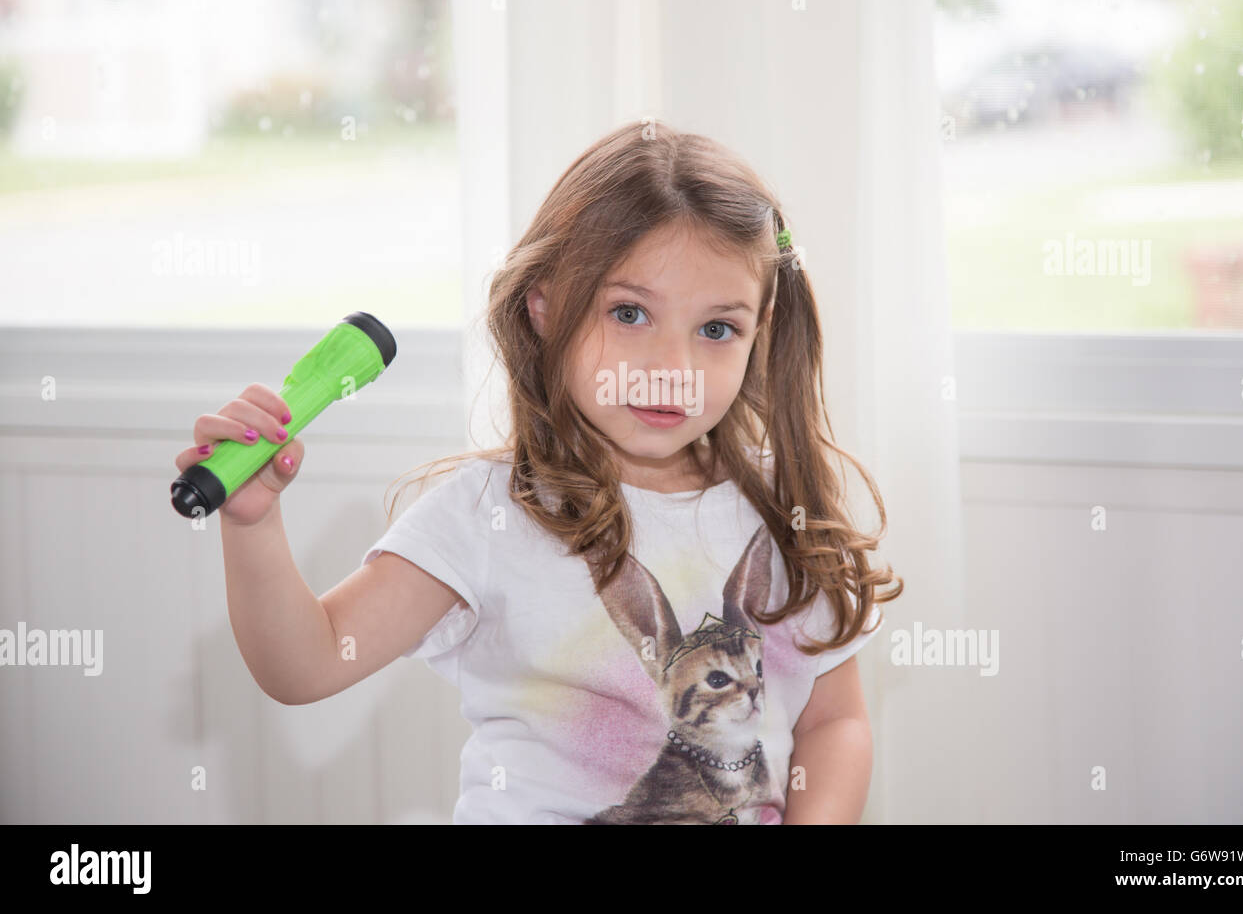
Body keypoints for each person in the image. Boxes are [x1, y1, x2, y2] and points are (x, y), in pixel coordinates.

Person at [176, 119, 903, 824]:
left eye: (717, 329)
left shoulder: (784, 507)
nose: (672, 370)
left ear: (760, 332)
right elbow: (303, 666)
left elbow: (834, 723)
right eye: (629, 313)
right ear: (545, 308)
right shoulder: (487, 514)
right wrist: (254, 522)